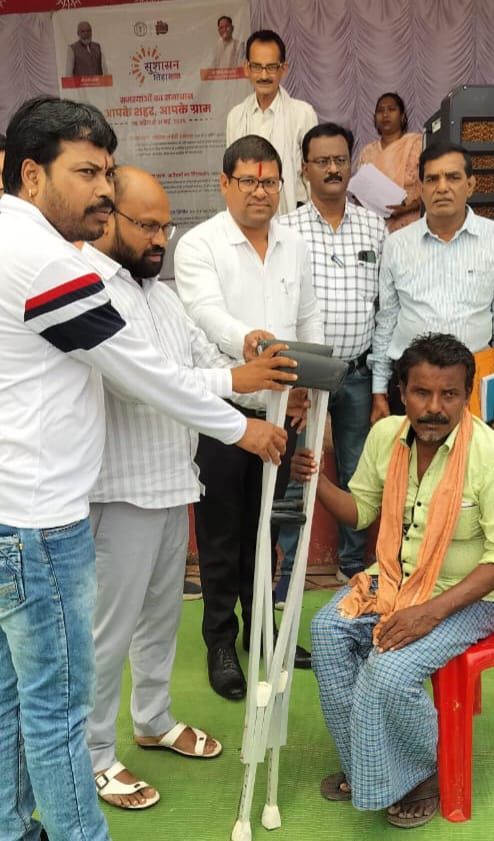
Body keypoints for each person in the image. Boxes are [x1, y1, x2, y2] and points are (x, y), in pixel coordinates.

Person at [0, 96, 288, 841]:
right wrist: (242, 425)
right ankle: (86, 794)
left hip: (69, 500)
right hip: (51, 512)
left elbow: (186, 359)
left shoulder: (59, 258)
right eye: (86, 173)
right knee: (61, 702)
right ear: (30, 175)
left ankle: (123, 741)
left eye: (106, 173)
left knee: (31, 692)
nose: (100, 190)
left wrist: (238, 368)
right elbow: (143, 376)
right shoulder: (54, 263)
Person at [82, 166, 296, 811]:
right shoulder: (90, 288)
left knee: (160, 619)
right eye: (146, 226)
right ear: (108, 218)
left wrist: (261, 370)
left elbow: (204, 359)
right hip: (119, 488)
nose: (159, 239)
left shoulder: (160, 293)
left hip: (171, 481)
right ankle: (94, 754)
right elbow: (149, 383)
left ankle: (152, 720)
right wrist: (238, 403)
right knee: (108, 632)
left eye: (166, 227)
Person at [293, 333, 494, 827]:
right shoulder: (386, 437)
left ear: (467, 395)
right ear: (401, 391)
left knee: (389, 670)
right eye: (422, 392)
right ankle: (368, 763)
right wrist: (316, 482)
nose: (434, 408)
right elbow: (361, 512)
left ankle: (421, 772)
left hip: (469, 597)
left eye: (449, 394)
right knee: (327, 633)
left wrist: (430, 613)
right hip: (395, 579)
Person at [174, 134, 325, 700]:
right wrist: (249, 339)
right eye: (248, 181)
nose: (260, 191)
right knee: (220, 535)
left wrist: (307, 379)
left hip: (282, 411)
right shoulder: (200, 243)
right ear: (224, 184)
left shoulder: (295, 244)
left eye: (269, 182)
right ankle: (220, 641)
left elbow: (308, 318)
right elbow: (204, 312)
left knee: (266, 531)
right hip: (221, 412)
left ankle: (263, 631)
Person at [275, 122, 387, 599]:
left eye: (340, 159)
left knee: (358, 472)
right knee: (297, 470)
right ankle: (288, 571)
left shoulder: (374, 226)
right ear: (305, 170)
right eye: (322, 161)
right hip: (304, 377)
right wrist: (293, 380)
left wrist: (380, 382)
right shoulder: (286, 230)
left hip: (358, 374)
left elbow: (384, 305)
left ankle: (350, 567)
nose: (333, 168)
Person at [371, 140, 494, 427]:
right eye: (432, 179)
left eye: (453, 177)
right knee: (410, 455)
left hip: (470, 384)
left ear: (470, 185)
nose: (442, 187)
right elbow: (387, 321)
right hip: (410, 385)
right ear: (421, 188)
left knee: (470, 456)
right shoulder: (397, 244)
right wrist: (378, 389)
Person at [226, 29, 317, 215]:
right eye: (257, 67)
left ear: (283, 68)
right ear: (247, 68)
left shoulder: (303, 114)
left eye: (271, 67)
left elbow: (313, 178)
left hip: (294, 216)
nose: (264, 75)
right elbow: (232, 175)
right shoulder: (235, 116)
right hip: (248, 216)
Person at [358, 92, 422, 232]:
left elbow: (432, 187)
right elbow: (360, 194)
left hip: (412, 227)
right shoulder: (367, 152)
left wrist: (408, 208)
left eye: (391, 109)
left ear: (402, 116)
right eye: (380, 111)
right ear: (375, 118)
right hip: (376, 229)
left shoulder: (417, 144)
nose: (385, 115)